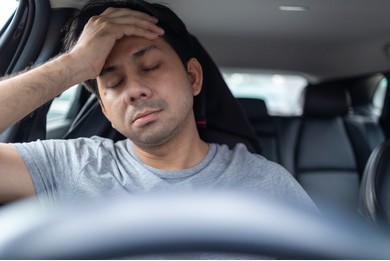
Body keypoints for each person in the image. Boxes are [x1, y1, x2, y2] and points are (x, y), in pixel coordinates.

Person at [0, 0, 316, 210]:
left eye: (150, 66)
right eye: (112, 82)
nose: (134, 90)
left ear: (193, 77)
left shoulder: (266, 182)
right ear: (106, 110)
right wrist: (74, 64)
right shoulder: (67, 165)